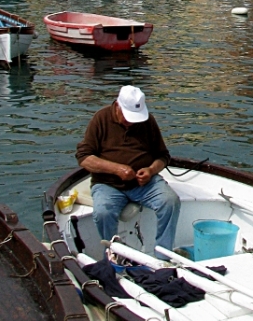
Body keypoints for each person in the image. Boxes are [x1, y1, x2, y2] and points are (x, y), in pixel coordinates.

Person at [76, 86, 180, 253]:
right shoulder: (100, 119)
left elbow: (163, 156)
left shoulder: (148, 122)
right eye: (128, 117)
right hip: (108, 184)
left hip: (145, 184)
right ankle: (113, 254)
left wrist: (151, 170)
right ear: (117, 106)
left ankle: (163, 255)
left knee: (170, 201)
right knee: (103, 212)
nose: (131, 122)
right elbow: (84, 158)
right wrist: (116, 169)